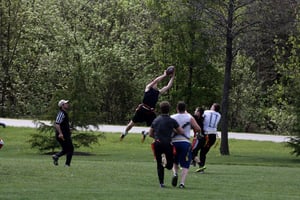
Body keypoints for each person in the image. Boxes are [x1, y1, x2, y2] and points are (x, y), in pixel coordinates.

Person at [120, 67, 175, 142]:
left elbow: (168, 86)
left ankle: (146, 133)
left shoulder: (158, 92)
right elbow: (156, 80)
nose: (156, 84)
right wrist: (164, 75)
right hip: (142, 109)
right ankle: (124, 133)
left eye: (156, 83)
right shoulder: (148, 88)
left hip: (150, 112)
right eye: (154, 83)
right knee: (131, 124)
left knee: (156, 126)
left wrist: (173, 76)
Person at [149, 101, 184, 188]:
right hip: (168, 143)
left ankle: (161, 183)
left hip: (158, 143)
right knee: (170, 165)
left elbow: (150, 133)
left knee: (159, 164)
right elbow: (181, 131)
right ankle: (166, 162)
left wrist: (156, 137)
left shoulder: (156, 120)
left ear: (160, 110)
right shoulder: (172, 120)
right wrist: (173, 131)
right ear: (169, 110)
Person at [171, 101, 201, 188]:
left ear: (177, 108)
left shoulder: (172, 117)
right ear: (185, 109)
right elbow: (198, 128)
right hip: (185, 142)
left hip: (174, 142)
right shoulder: (189, 117)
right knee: (185, 163)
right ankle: (182, 183)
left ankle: (175, 173)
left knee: (174, 160)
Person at [194, 103, 221, 173]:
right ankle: (199, 165)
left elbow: (200, 117)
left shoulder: (207, 112)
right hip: (213, 136)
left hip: (207, 135)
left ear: (213, 107)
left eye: (212, 106)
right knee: (203, 152)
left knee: (195, 150)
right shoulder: (219, 115)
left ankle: (198, 164)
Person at [52, 99, 74, 167]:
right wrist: (60, 133)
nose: (67, 104)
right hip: (62, 135)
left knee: (66, 149)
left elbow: (63, 124)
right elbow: (57, 124)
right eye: (65, 103)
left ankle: (56, 156)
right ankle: (67, 164)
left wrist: (68, 129)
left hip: (65, 134)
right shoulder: (61, 113)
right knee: (70, 148)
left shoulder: (64, 113)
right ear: (62, 105)